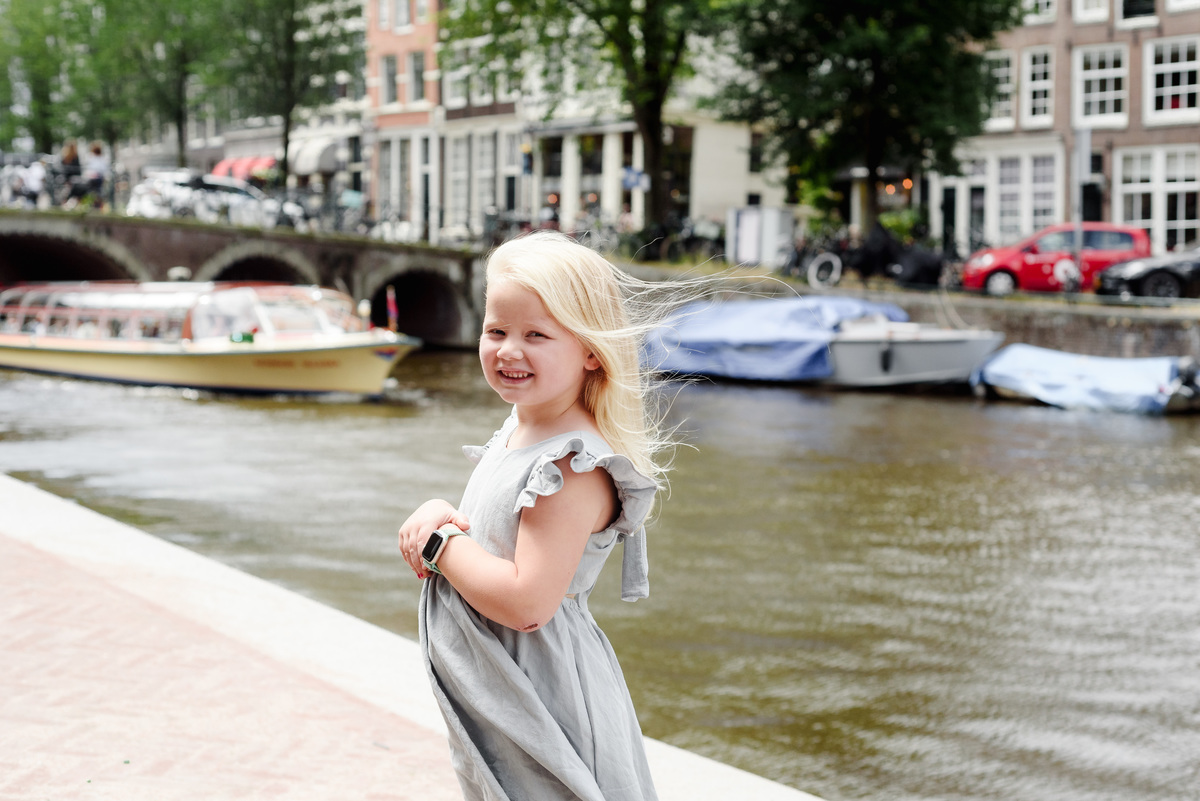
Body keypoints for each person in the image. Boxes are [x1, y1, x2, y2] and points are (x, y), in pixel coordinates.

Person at [398, 230, 701, 800]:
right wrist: (445, 510)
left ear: (590, 349)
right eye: (497, 331)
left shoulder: (572, 467)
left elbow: (527, 603)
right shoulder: (522, 426)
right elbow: (493, 534)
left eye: (536, 335)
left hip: (540, 690)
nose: (510, 350)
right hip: (498, 683)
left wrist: (439, 542)